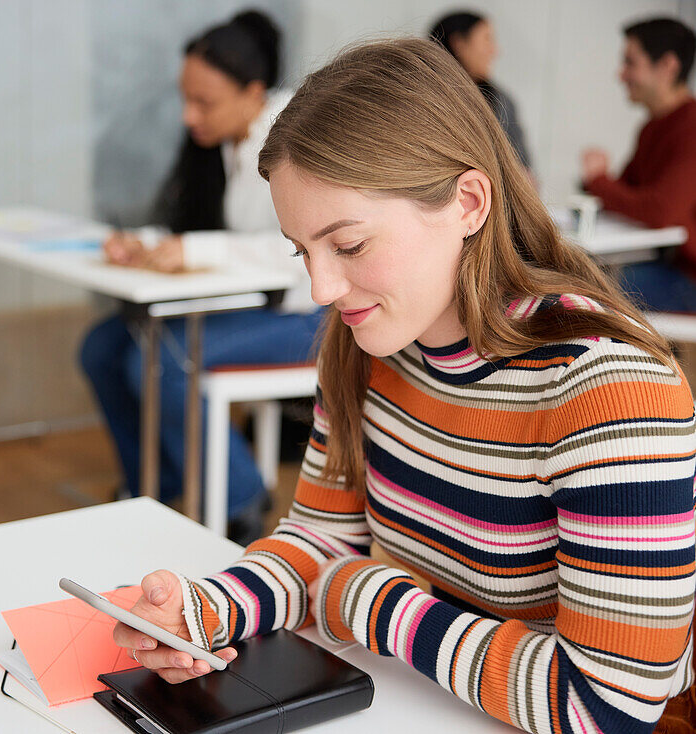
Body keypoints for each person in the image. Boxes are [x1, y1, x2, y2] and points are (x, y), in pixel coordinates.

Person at [112, 38, 696, 734]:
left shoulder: (608, 390)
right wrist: (206, 609)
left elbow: (609, 707)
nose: (322, 287)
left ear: (469, 202)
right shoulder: (368, 348)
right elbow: (321, 541)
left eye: (350, 246)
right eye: (304, 252)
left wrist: (374, 605)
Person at [79, 10, 322, 545]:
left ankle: (241, 499)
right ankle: (156, 485)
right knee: (102, 346)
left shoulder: (294, 139)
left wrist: (192, 248)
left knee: (164, 357)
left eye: (204, 102)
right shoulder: (227, 143)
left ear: (253, 91)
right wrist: (149, 242)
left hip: (314, 313)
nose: (190, 116)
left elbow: (298, 254)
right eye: (185, 99)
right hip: (263, 305)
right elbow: (195, 228)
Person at [581, 18, 696, 314]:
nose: (621, 74)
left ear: (668, 66)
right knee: (580, 276)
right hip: (667, 264)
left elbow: (660, 210)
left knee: (585, 291)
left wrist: (598, 180)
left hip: (688, 276)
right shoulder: (652, 127)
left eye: (631, 63)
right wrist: (598, 182)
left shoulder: (691, 127)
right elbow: (623, 194)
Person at [430, 10, 532, 170]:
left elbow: (524, 170)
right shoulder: (422, 97)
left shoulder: (501, 102)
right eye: (487, 39)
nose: (495, 51)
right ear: (459, 44)